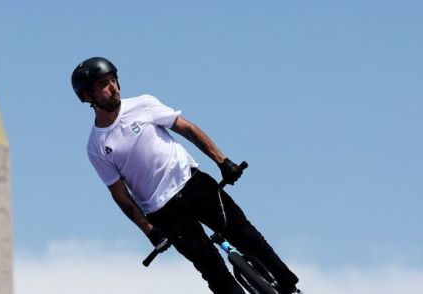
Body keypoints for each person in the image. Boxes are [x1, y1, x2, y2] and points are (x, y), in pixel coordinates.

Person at [71, 56, 300, 294]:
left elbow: (187, 129)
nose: (113, 88)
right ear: (88, 96)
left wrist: (223, 162)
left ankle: (290, 287)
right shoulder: (96, 145)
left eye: (113, 80)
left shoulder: (143, 104)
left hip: (193, 183)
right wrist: (149, 230)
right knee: (212, 269)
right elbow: (119, 194)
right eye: (103, 85)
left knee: (245, 234)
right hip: (164, 211)